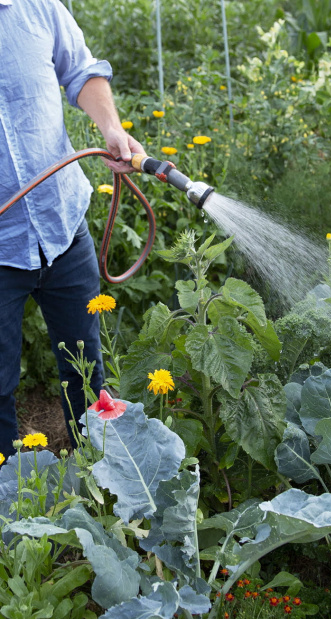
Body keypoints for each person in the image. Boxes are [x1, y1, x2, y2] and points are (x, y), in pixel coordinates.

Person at [0, 0, 145, 460]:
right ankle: (9, 506)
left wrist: (112, 129)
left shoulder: (36, 7)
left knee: (86, 370)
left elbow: (81, 71)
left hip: (62, 225)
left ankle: (102, 480)